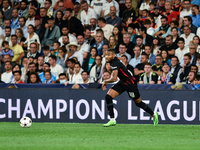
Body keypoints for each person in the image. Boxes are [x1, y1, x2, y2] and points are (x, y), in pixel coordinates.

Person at [102, 48, 158, 127]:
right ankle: (112, 120)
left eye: (109, 55)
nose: (106, 57)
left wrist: (105, 81)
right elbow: (121, 59)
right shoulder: (115, 59)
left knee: (138, 103)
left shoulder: (115, 63)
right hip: (122, 82)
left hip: (130, 84)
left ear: (113, 55)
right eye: (106, 55)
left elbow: (114, 78)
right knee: (108, 97)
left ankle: (153, 114)